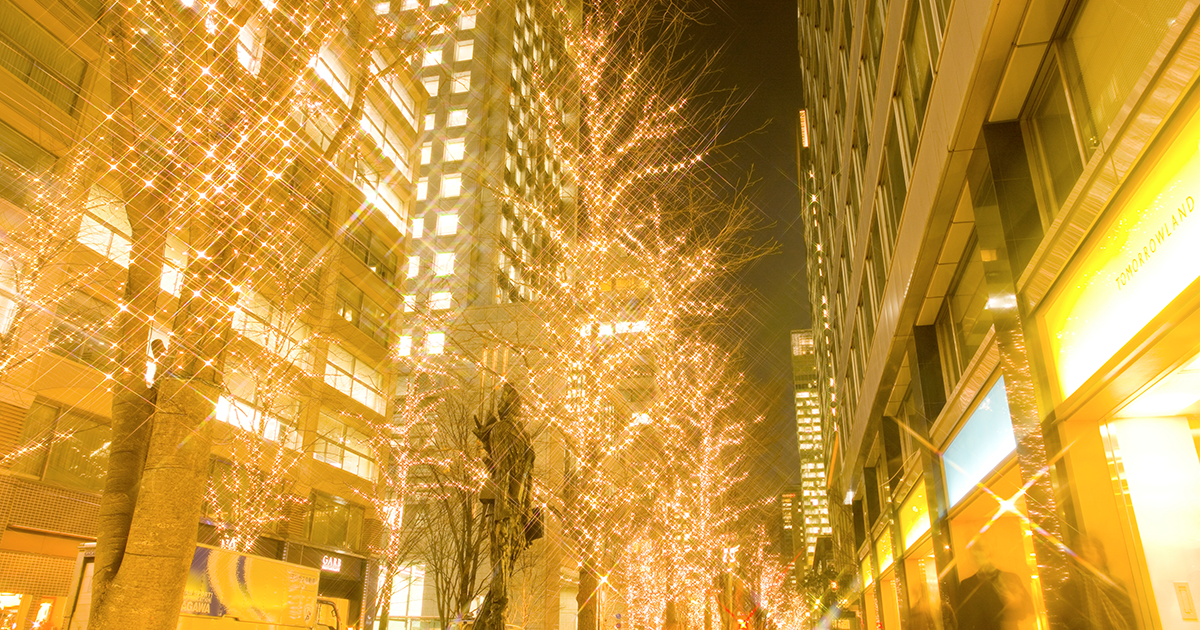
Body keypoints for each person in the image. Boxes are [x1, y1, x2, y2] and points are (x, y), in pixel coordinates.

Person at [1053, 537, 1137, 630]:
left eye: (1090, 551)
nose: (1084, 553)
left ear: (1101, 556)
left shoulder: (1115, 587)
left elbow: (1128, 622)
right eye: (1080, 553)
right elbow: (1064, 623)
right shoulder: (1068, 590)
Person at [954, 542, 1034, 630]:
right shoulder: (966, 585)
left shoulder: (1010, 578)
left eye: (979, 549)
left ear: (989, 553)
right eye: (972, 551)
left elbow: (1028, 611)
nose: (975, 554)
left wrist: (1016, 604)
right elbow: (963, 621)